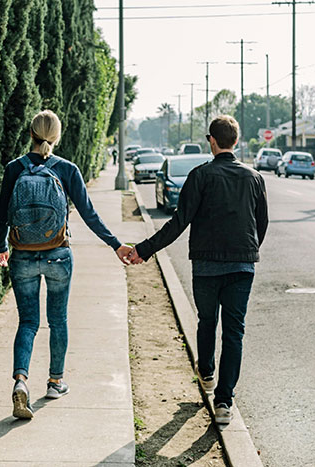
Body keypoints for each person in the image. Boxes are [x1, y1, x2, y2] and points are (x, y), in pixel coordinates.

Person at [128, 115, 268, 425]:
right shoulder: (255, 178)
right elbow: (262, 224)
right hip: (243, 266)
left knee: (207, 321)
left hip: (206, 266)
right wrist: (247, 250)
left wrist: (143, 250)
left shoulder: (200, 176)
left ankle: (206, 373)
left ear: (212, 141)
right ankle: (224, 403)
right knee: (235, 332)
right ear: (236, 140)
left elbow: (179, 223)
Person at [0, 110, 132, 419]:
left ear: (30, 133)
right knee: (58, 320)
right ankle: (56, 381)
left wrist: (1, 246)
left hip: (23, 256)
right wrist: (115, 244)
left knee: (28, 322)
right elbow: (89, 214)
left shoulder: (14, 168)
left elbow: (1, 212)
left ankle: (20, 381)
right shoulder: (67, 169)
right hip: (58, 254)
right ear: (56, 137)